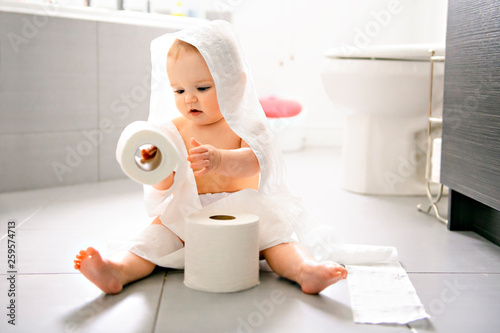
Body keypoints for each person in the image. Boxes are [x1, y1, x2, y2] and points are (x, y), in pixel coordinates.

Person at [74, 21, 347, 295]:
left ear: (236, 85)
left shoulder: (244, 125)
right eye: (179, 91)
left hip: (244, 209)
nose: (189, 99)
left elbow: (256, 161)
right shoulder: (174, 129)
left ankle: (304, 270)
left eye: (202, 88)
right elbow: (165, 183)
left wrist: (220, 160)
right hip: (189, 209)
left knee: (278, 239)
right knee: (154, 237)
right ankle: (117, 270)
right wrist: (155, 169)